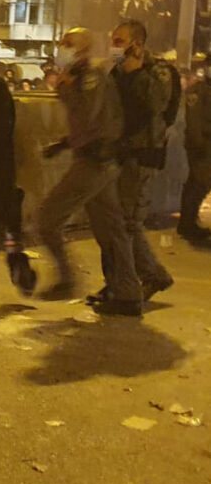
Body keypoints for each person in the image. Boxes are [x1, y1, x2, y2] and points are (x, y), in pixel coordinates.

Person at [35, 28, 143, 315]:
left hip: (95, 163)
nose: (62, 47)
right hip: (99, 161)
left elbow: (88, 114)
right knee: (112, 230)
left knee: (46, 220)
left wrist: (63, 86)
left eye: (68, 43)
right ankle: (129, 294)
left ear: (83, 48)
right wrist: (62, 144)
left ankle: (67, 280)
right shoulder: (82, 74)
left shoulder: (88, 75)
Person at [91, 20, 175, 304]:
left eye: (120, 40)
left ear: (136, 44)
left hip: (140, 158)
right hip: (116, 155)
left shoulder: (158, 72)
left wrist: (137, 73)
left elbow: (155, 105)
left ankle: (144, 277)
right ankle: (118, 281)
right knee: (111, 222)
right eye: (113, 39)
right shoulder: (116, 71)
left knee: (125, 224)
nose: (115, 45)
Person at [179, 61, 211, 241]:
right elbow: (194, 120)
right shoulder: (198, 90)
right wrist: (198, 143)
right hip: (202, 144)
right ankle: (188, 224)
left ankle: (188, 221)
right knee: (200, 184)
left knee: (197, 183)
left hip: (205, 144)